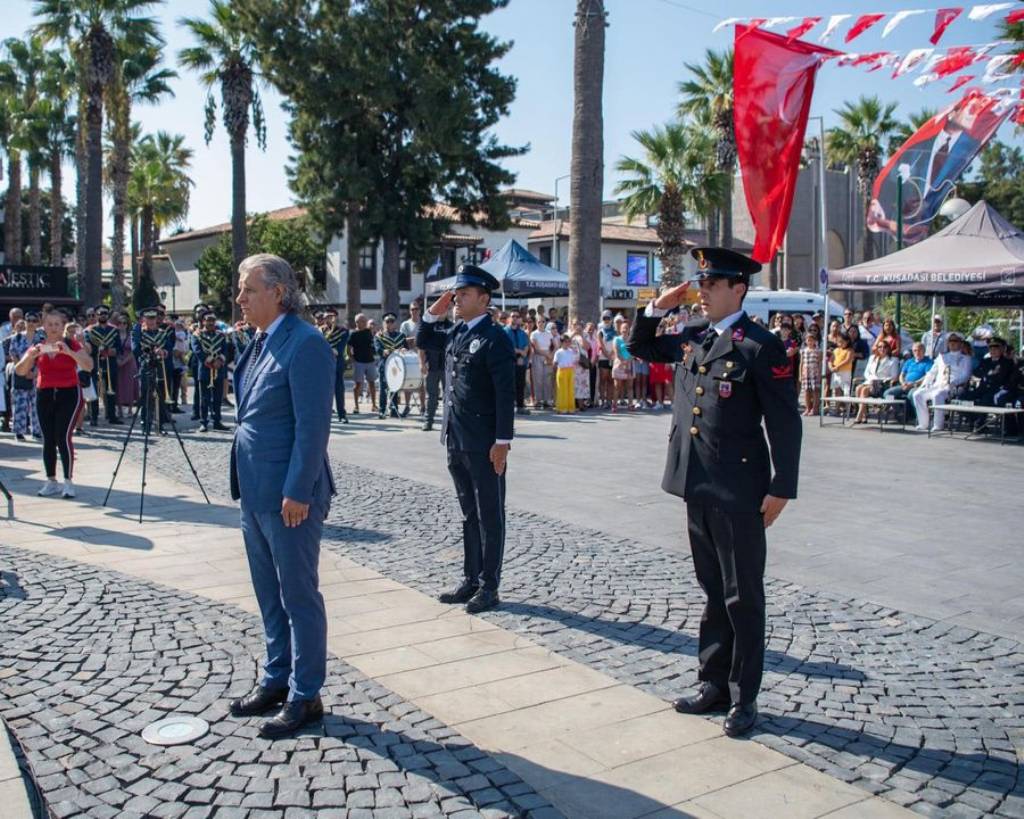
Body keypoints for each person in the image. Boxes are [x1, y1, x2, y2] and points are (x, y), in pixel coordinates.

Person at [627, 247, 801, 739]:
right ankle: (712, 683)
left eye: (711, 283)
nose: (701, 291)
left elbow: (785, 422)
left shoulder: (760, 346)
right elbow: (641, 347)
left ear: (738, 289)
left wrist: (782, 485)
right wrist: (657, 308)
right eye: (700, 282)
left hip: (740, 488)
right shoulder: (693, 338)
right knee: (712, 590)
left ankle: (744, 697)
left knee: (742, 595)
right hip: (695, 482)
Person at [229, 253, 335, 740]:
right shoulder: (257, 342)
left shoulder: (306, 343)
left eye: (249, 289)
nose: (240, 298)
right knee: (268, 594)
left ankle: (305, 693)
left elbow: (313, 428)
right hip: (254, 490)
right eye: (240, 289)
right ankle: (276, 677)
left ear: (278, 292)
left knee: (297, 594)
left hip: (291, 496)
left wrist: (298, 490)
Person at [417, 264, 514, 615]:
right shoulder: (457, 332)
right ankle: (471, 578)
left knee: (491, 514)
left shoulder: (495, 338)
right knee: (468, 514)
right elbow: (424, 339)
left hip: (485, 442)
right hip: (455, 438)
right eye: (456, 292)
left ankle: (490, 585)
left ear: (484, 299)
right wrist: (435, 310)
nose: (458, 298)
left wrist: (502, 442)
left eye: (465, 293)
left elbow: (506, 396)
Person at [14, 310, 93, 498]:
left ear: (62, 325)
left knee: (63, 436)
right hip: (45, 393)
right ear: (44, 325)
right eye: (50, 324)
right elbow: (20, 371)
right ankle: (51, 480)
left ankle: (68, 481)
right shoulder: (38, 345)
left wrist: (70, 352)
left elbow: (88, 365)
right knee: (48, 438)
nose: (53, 328)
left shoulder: (69, 343)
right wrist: (30, 357)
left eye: (57, 324)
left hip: (69, 393)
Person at [912, 332, 973, 432]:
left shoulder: (965, 358)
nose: (952, 343)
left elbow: (966, 376)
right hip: (938, 385)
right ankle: (923, 423)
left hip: (954, 387)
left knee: (937, 395)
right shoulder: (942, 357)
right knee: (917, 394)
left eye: (955, 341)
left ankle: (938, 424)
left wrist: (953, 382)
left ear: (961, 343)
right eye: (950, 341)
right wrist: (924, 384)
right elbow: (932, 372)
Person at [133, 308, 176, 434]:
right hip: (146, 366)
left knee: (160, 396)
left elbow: (169, 347)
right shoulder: (139, 333)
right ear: (144, 319)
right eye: (149, 318)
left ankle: (160, 425)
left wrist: (164, 352)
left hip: (160, 366)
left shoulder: (162, 333)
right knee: (147, 396)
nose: (151, 321)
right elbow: (136, 349)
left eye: (153, 318)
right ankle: (145, 424)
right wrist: (152, 351)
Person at [191, 312, 232, 432]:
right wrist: (210, 361)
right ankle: (203, 422)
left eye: (213, 320)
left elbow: (225, 350)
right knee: (205, 398)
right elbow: (197, 350)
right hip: (204, 370)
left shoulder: (221, 335)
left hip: (219, 370)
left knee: (217, 398)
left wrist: (220, 360)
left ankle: (217, 421)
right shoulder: (197, 335)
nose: (210, 323)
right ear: (203, 321)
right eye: (208, 320)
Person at [85, 307, 122, 426]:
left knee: (112, 390)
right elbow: (88, 347)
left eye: (105, 313)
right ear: (96, 315)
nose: (103, 316)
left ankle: (112, 416)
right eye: (100, 314)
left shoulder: (114, 330)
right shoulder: (91, 331)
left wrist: (113, 351)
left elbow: (119, 347)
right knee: (94, 390)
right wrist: (97, 350)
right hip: (96, 363)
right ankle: (94, 417)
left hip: (110, 362)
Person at [8, 314, 42, 440]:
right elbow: (13, 354)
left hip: (36, 374)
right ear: (25, 322)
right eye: (29, 320)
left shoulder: (41, 338)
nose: (31, 323)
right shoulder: (16, 337)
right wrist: (22, 369)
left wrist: (34, 372)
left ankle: (37, 431)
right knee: (20, 404)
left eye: (34, 320)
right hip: (20, 373)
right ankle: (19, 431)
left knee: (36, 404)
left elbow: (43, 357)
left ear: (38, 322)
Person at [883, 342, 932, 424]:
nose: (917, 352)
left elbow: (927, 377)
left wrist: (913, 384)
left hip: (918, 385)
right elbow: (902, 374)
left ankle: (917, 417)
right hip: (905, 384)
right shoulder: (909, 361)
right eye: (915, 350)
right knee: (887, 394)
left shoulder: (928, 362)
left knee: (912, 394)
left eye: (919, 350)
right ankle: (900, 413)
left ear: (924, 351)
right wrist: (903, 383)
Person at [853, 341, 900, 423]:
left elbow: (894, 376)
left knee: (864, 390)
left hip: (882, 384)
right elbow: (866, 373)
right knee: (858, 388)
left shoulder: (893, 360)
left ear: (888, 348)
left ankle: (860, 415)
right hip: (870, 381)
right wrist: (872, 379)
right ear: (877, 348)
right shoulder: (872, 358)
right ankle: (864, 414)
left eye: (885, 347)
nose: (882, 349)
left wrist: (877, 380)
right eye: (880, 347)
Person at [374, 313, 408, 419]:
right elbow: (377, 349)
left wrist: (404, 349)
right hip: (384, 365)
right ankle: (382, 410)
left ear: (395, 323)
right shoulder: (379, 336)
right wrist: (383, 351)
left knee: (395, 387)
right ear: (384, 323)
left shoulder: (401, 336)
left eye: (391, 321)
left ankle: (394, 410)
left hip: (397, 366)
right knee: (383, 388)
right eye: (387, 321)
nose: (389, 323)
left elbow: (406, 348)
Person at [320, 308, 350, 424]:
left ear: (336, 317)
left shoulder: (343, 331)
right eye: (326, 317)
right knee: (323, 391)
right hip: (322, 365)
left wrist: (328, 350)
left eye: (331, 316)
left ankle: (342, 414)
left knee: (338, 390)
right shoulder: (319, 331)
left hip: (336, 363)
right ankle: (324, 415)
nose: (329, 319)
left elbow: (339, 349)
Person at [347, 314, 377, 414]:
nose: (365, 322)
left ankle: (374, 405)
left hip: (370, 361)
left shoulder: (369, 332)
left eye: (365, 320)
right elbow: (348, 348)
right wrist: (352, 359)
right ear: (357, 323)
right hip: (359, 362)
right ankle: (356, 406)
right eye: (362, 321)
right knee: (357, 385)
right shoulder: (353, 334)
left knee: (372, 384)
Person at [400, 302, 426, 417]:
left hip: (422, 356)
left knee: (421, 383)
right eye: (412, 309)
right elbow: (402, 340)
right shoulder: (405, 324)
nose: (414, 311)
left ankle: (423, 407)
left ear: (420, 310)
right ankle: (407, 406)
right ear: (410, 311)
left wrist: (417, 340)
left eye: (416, 309)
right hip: (409, 357)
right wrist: (416, 338)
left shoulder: (424, 323)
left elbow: (427, 338)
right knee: (408, 383)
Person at [504, 311, 531, 416]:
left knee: (521, 384)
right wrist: (520, 353)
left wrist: (523, 353)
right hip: (509, 362)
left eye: (517, 316)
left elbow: (526, 345)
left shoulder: (522, 332)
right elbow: (507, 346)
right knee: (510, 385)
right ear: (509, 318)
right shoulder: (505, 331)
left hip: (521, 363)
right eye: (513, 316)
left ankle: (520, 406)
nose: (515, 318)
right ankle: (510, 407)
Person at [115, 313, 140, 417]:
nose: (122, 325)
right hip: (118, 361)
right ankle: (119, 409)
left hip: (130, 362)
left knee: (130, 384)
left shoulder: (131, 335)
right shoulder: (114, 335)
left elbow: (133, 351)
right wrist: (118, 360)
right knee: (119, 385)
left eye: (124, 323)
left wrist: (124, 361)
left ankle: (130, 410)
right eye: (120, 323)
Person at [529, 317, 554, 409]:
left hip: (548, 357)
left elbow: (553, 345)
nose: (541, 323)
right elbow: (536, 348)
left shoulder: (549, 334)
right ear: (536, 323)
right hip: (538, 356)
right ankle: (538, 400)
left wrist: (551, 356)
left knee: (547, 379)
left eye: (543, 321)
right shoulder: (534, 334)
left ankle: (547, 400)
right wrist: (547, 355)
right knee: (538, 379)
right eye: (539, 321)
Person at [799, 333, 823, 416]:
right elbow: (801, 363)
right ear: (805, 341)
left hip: (815, 372)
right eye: (808, 340)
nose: (810, 342)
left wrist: (820, 373)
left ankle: (815, 408)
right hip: (806, 372)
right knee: (806, 391)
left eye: (812, 340)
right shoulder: (803, 351)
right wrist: (800, 374)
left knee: (815, 390)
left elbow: (820, 363)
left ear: (815, 341)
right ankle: (807, 408)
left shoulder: (818, 350)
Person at [553, 334, 578, 414]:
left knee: (570, 389)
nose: (567, 343)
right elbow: (555, 363)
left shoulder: (571, 351)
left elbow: (575, 360)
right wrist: (555, 372)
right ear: (561, 342)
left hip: (570, 371)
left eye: (568, 341)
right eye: (565, 342)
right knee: (562, 390)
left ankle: (570, 408)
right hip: (562, 371)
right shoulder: (558, 352)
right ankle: (561, 408)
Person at [596, 311, 616, 408]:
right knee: (603, 379)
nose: (606, 320)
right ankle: (602, 400)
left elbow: (615, 344)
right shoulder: (600, 331)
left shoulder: (615, 330)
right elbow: (600, 344)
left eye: (608, 318)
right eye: (604, 318)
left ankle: (609, 400)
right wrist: (607, 355)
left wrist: (612, 354)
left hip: (613, 357)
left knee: (611, 380)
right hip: (603, 358)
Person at [829, 333, 854, 398]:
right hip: (836, 373)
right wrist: (831, 367)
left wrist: (837, 366)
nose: (840, 343)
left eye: (842, 341)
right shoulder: (836, 350)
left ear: (847, 341)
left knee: (846, 390)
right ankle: (837, 407)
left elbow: (847, 360)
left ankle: (846, 406)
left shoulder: (850, 350)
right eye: (839, 341)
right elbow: (830, 360)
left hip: (845, 372)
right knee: (837, 390)